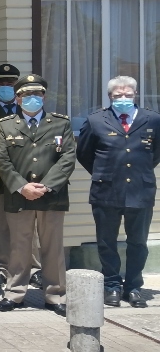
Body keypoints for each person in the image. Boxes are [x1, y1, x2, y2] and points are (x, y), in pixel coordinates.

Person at [0, 74, 75, 317]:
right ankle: (14, 292)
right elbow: (2, 160)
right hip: (19, 197)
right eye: (26, 95)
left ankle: (55, 294)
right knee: (19, 246)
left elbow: (68, 158)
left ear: (44, 96)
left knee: (52, 247)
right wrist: (22, 187)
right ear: (17, 99)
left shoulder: (60, 123)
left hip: (52, 196)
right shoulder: (5, 125)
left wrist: (46, 186)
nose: (32, 99)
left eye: (37, 94)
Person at [78, 75, 160, 309]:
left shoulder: (152, 119)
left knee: (138, 243)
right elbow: (84, 153)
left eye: (127, 94)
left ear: (135, 95)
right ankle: (112, 285)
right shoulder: (96, 120)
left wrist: (138, 172)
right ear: (109, 97)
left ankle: (133, 287)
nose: (123, 98)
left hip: (140, 190)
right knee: (106, 242)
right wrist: (106, 172)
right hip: (106, 190)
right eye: (117, 95)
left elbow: (155, 153)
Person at [0, 64, 42, 290]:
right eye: (0, 83)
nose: (5, 86)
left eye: (10, 83)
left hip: (27, 178)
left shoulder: (28, 110)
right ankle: (1, 267)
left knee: (29, 227)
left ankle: (34, 268)